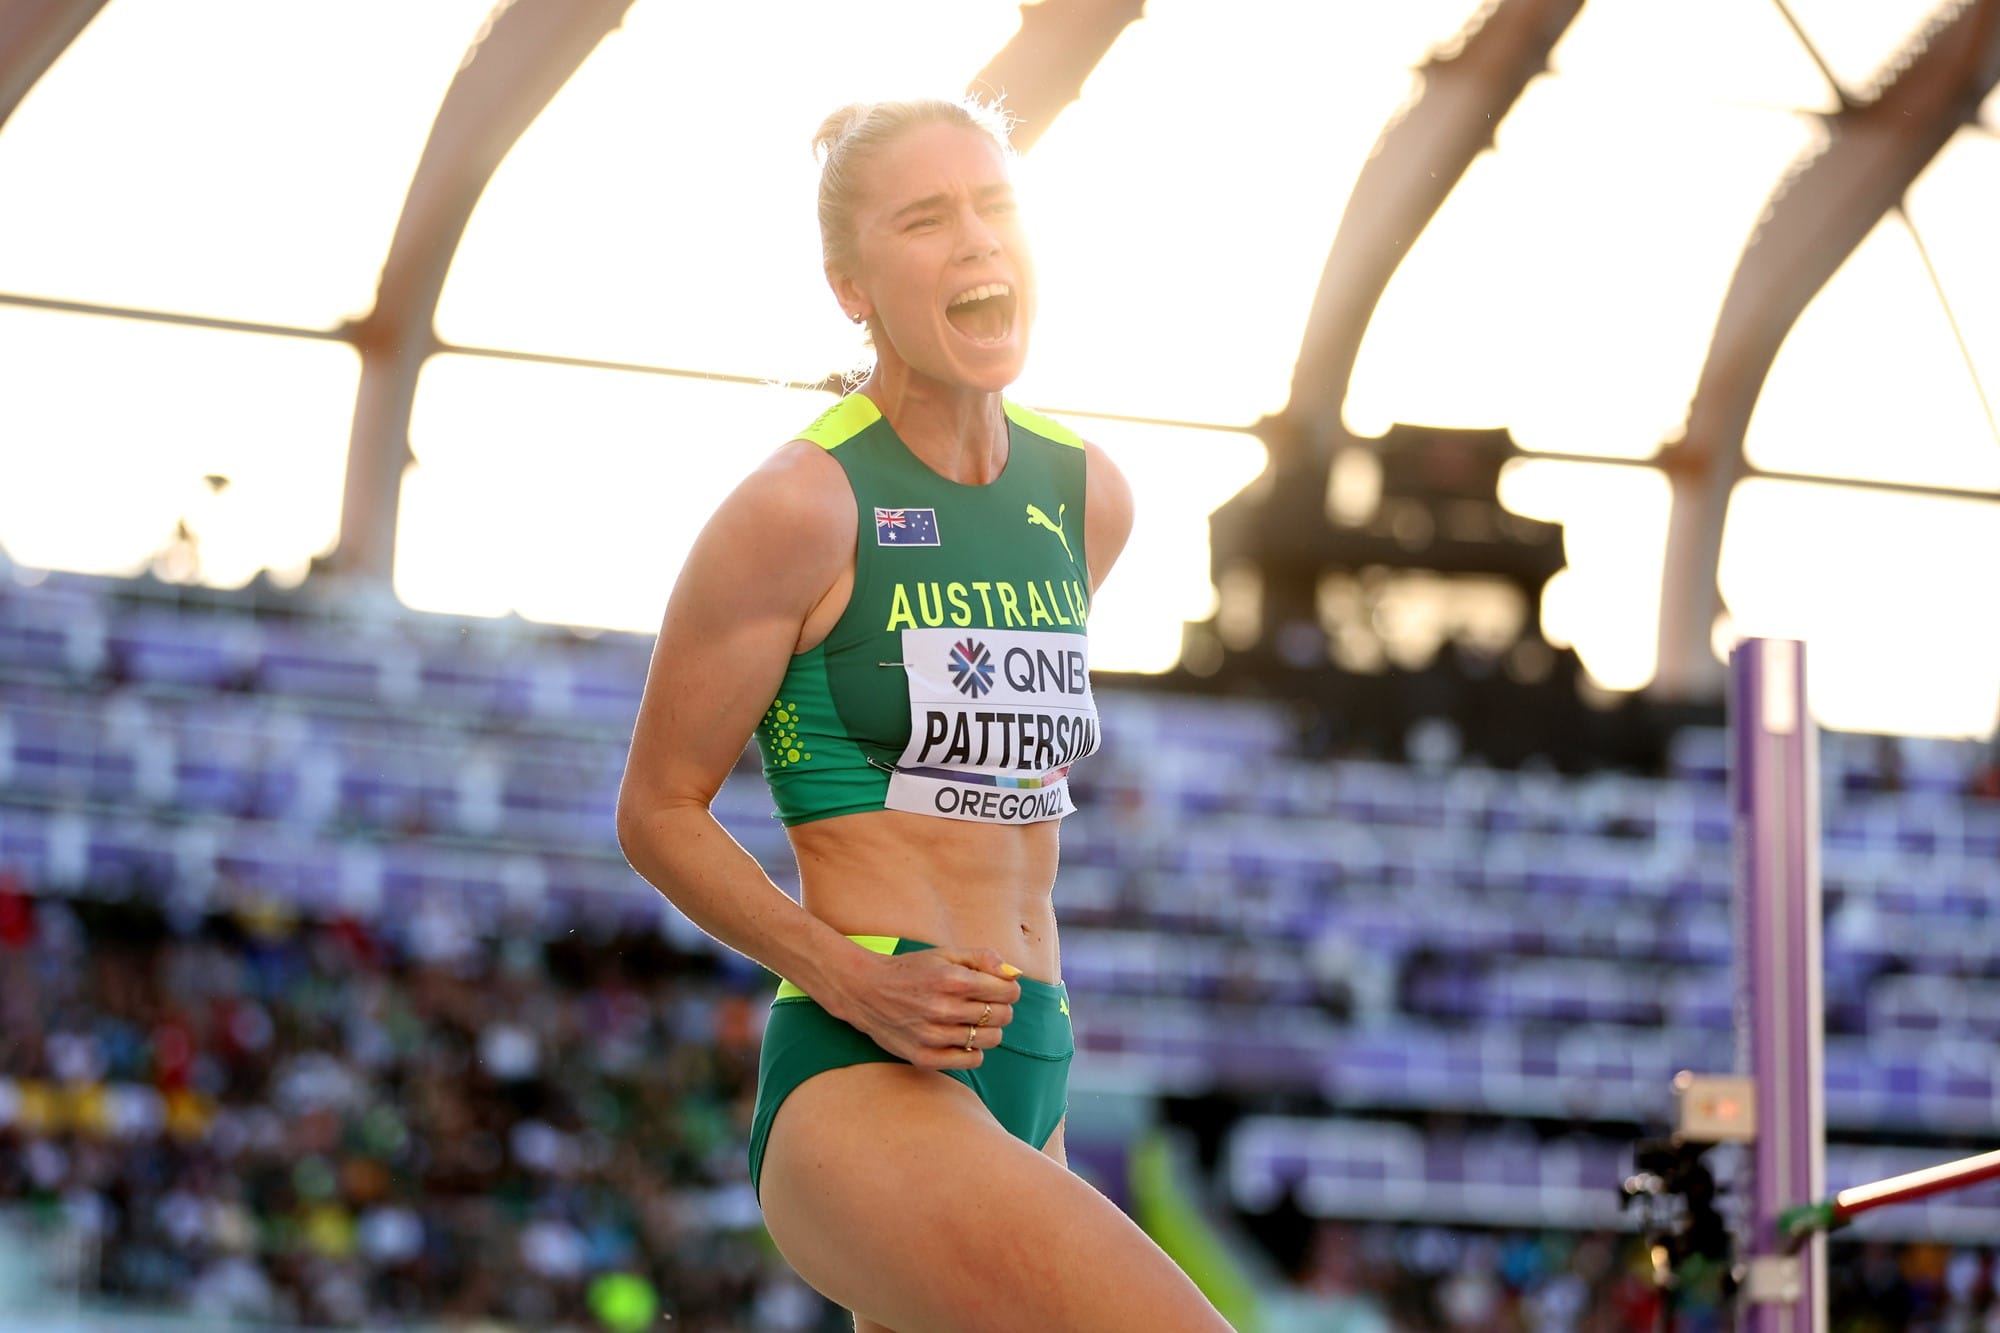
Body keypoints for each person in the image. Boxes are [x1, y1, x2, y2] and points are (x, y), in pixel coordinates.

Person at [615, 96, 1231, 1332]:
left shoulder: (1086, 495)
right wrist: (848, 978)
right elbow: (656, 811)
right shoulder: (799, 506)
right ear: (850, 287)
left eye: (994, 206)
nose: (973, 241)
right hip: (869, 1064)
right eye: (923, 218)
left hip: (1029, 1060)